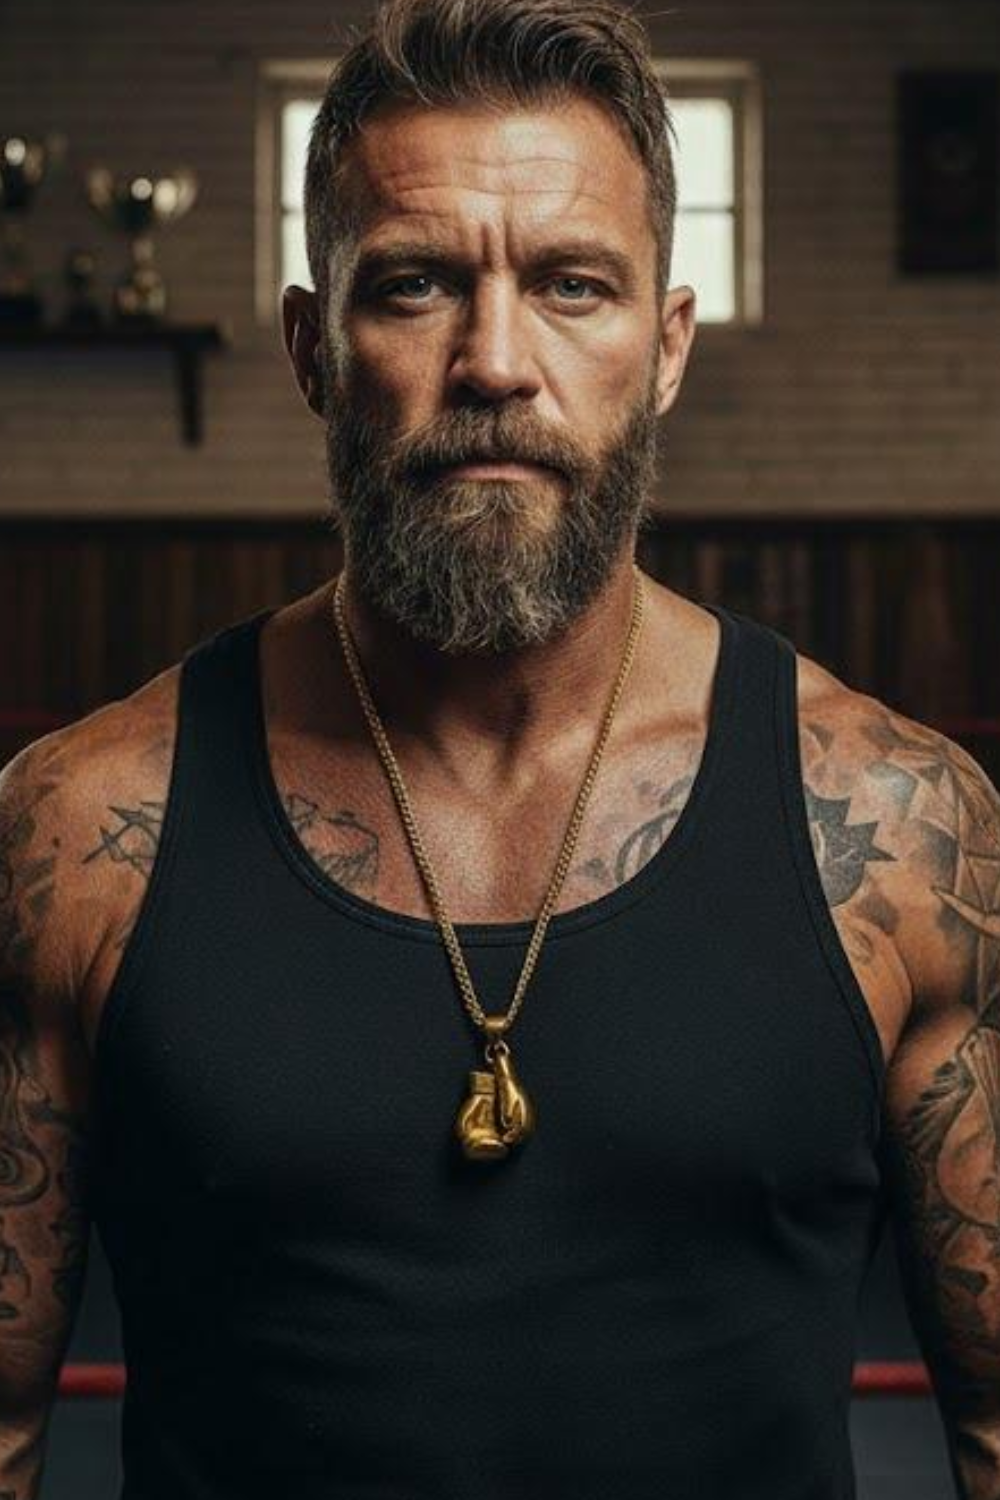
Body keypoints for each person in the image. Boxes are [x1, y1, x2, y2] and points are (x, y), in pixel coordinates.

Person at [1, 0, 998, 1494]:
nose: (494, 362)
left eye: (572, 286)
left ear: (665, 351)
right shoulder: (80, 827)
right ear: (311, 349)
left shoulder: (899, 824)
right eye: (412, 286)